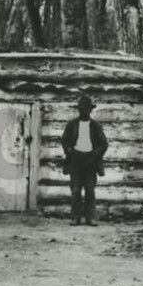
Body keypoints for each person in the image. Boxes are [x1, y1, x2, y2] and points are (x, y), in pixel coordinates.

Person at [60, 93, 108, 226]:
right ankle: (75, 217)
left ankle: (90, 217)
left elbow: (104, 144)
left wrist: (95, 154)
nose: (84, 110)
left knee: (90, 189)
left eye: (87, 108)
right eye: (82, 108)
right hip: (76, 159)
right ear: (79, 109)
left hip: (91, 160)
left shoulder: (95, 126)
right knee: (75, 190)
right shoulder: (72, 125)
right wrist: (70, 151)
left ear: (91, 110)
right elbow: (65, 141)